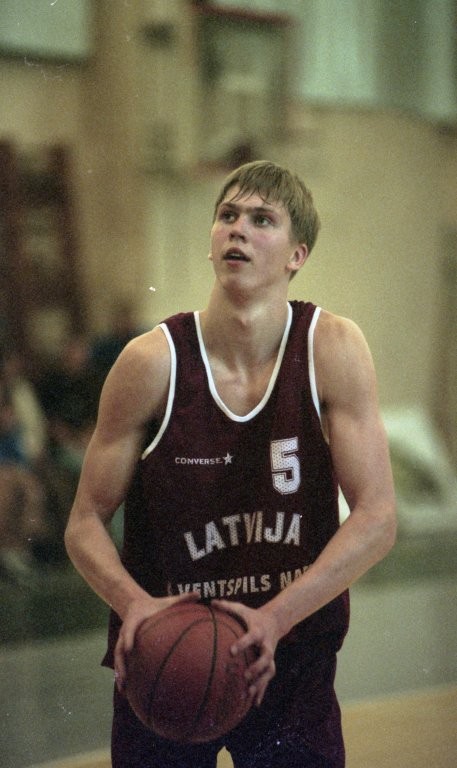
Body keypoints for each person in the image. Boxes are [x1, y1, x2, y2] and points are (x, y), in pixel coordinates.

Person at [65, 160, 396, 768]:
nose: (238, 228)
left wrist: (276, 617)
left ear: (297, 255)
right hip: (169, 654)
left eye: (262, 219)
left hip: (290, 652)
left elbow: (377, 518)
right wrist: (133, 604)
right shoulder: (151, 363)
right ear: (213, 238)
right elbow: (84, 521)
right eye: (227, 215)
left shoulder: (332, 348)